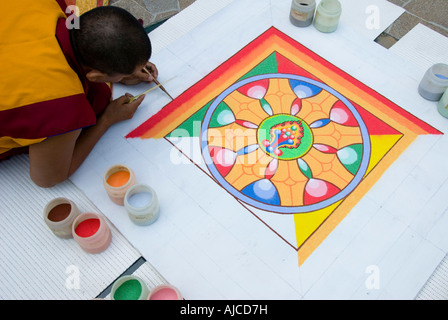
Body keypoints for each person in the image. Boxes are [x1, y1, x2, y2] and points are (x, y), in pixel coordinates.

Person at [0, 0, 158, 187]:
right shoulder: (61, 102)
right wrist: (107, 119)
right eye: (121, 75)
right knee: (97, 103)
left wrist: (120, 70)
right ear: (96, 75)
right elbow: (46, 178)